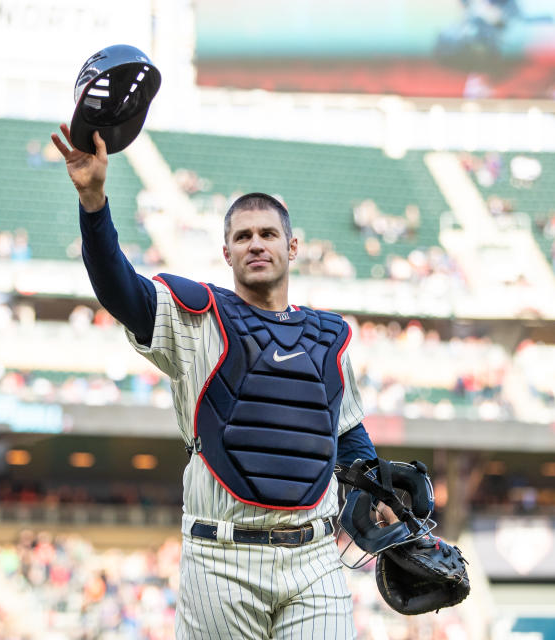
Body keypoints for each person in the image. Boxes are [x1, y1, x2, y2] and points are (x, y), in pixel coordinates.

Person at [51, 125, 396, 638]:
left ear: (292, 246)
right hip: (222, 559)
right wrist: (94, 202)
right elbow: (118, 287)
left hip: (316, 559)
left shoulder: (329, 336)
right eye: (243, 237)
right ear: (226, 253)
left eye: (268, 234)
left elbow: (346, 435)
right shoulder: (196, 317)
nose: (256, 244)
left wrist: (382, 491)